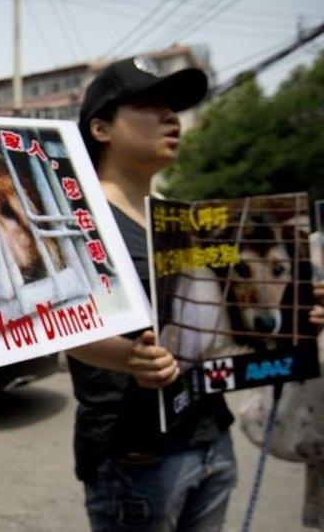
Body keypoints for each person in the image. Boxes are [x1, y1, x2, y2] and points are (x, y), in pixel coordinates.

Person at [65, 57, 236, 531]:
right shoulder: (75, 218)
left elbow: (218, 321)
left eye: (173, 107)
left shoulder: (180, 220)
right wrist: (128, 358)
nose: (170, 117)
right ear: (101, 128)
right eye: (149, 105)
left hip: (211, 438)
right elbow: (52, 326)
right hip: (136, 456)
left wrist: (291, 315)